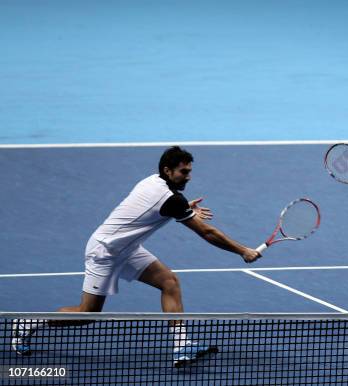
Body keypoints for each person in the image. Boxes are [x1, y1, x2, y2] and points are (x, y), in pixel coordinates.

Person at [12, 146, 261, 366]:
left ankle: (181, 347)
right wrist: (243, 251)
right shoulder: (171, 199)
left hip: (127, 249)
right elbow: (207, 232)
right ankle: (29, 322)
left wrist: (186, 208)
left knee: (169, 282)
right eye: (184, 172)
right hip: (105, 252)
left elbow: (161, 207)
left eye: (189, 171)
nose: (189, 176)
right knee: (87, 314)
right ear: (168, 170)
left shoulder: (154, 181)